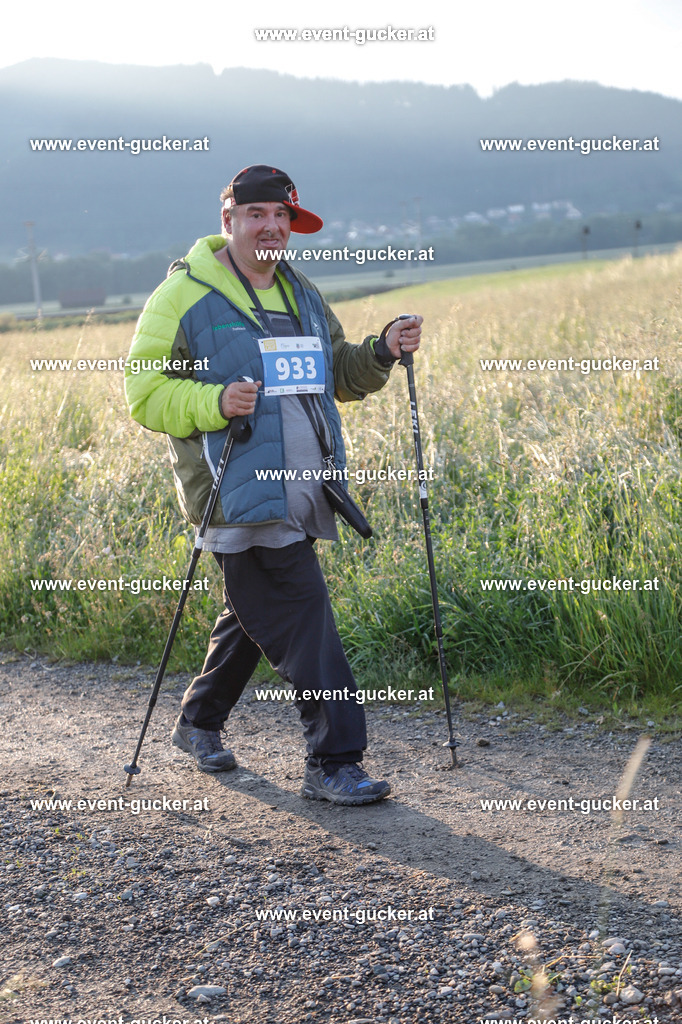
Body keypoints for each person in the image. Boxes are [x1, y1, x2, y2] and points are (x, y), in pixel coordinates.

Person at [125, 164, 422, 805]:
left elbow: (337, 374)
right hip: (235, 492)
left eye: (282, 216)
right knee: (302, 616)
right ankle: (334, 761)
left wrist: (381, 351)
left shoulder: (300, 292)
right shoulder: (181, 296)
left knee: (254, 611)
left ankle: (198, 722)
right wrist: (213, 401)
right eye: (257, 214)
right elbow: (144, 393)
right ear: (228, 220)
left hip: (304, 489)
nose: (271, 227)